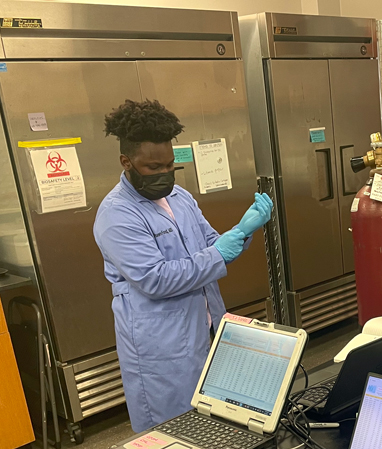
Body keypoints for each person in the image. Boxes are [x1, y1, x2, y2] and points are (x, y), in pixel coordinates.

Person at [94, 99, 272, 432]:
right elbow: (155, 279)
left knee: (218, 421)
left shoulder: (180, 198)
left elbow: (208, 244)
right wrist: (220, 252)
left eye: (169, 166)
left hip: (205, 326)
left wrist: (242, 230)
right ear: (126, 162)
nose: (164, 175)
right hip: (162, 345)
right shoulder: (117, 215)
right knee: (172, 434)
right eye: (153, 168)